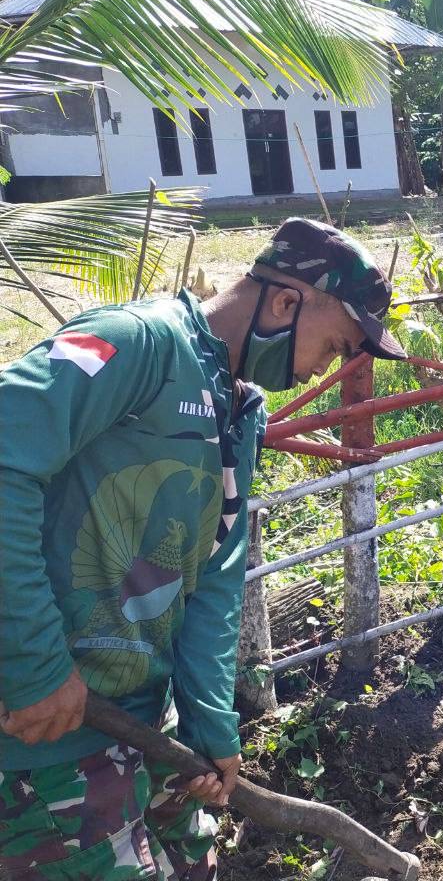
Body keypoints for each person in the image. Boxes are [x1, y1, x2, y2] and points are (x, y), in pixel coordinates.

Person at [0, 218, 406, 880]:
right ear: (284, 302)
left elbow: (214, 578)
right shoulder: (139, 346)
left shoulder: (238, 411)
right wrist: (35, 666)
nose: (323, 369)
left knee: (199, 866)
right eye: (332, 346)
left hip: (144, 728)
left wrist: (209, 724)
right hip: (46, 738)